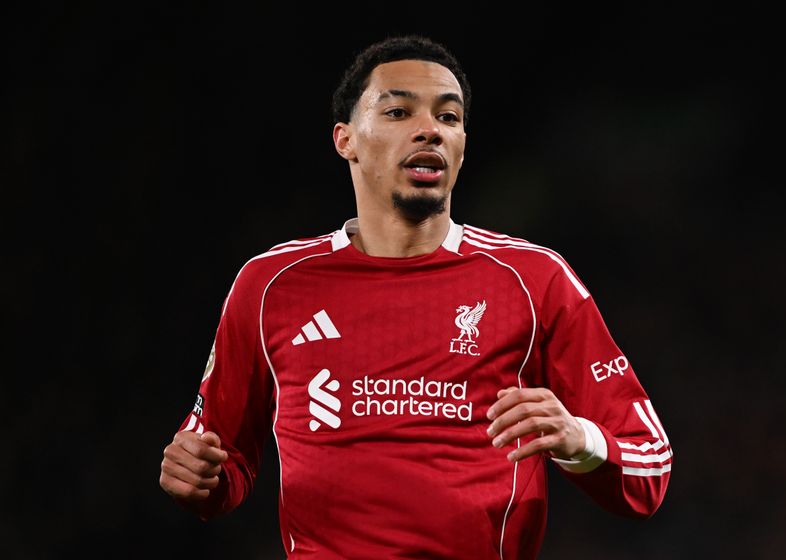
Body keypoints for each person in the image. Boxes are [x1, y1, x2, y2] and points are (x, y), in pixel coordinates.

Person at [159, 34, 672, 559]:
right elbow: (222, 460)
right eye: (399, 111)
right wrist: (199, 478)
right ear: (345, 140)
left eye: (449, 118)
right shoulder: (271, 285)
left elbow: (649, 468)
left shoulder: (535, 279)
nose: (430, 129)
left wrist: (579, 439)